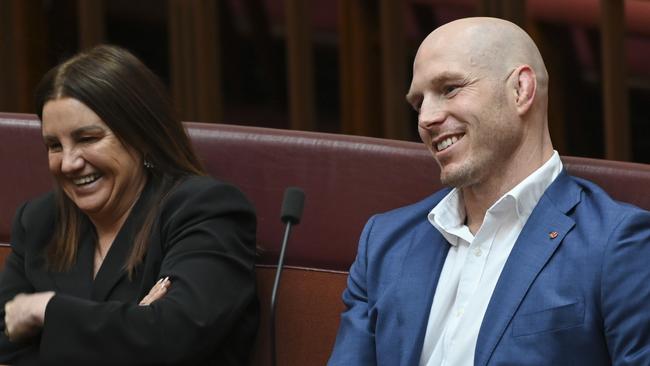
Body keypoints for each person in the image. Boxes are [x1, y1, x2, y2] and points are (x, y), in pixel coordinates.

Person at [329, 17, 650, 365]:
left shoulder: (616, 244)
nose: (426, 118)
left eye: (449, 88)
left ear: (521, 90)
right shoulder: (385, 242)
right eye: (418, 102)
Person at [0, 45, 258, 365]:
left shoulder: (204, 210)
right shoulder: (40, 221)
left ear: (141, 134)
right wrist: (133, 325)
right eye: (54, 145)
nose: (67, 163)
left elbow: (174, 337)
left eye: (87, 139)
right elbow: (5, 347)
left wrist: (45, 310)